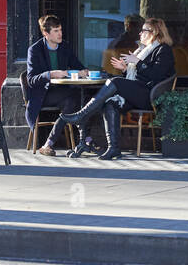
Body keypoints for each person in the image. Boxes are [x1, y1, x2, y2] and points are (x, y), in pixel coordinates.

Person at [49, 17, 176, 160]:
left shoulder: (163, 50)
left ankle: (82, 115)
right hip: (138, 92)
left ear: (154, 32)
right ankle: (113, 148)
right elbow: (137, 76)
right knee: (110, 104)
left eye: (143, 31)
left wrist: (137, 63)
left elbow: (156, 75)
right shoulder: (142, 50)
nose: (140, 34)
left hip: (150, 95)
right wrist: (125, 68)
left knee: (114, 81)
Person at [26, 14, 89, 155]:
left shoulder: (64, 47)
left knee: (76, 99)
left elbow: (78, 66)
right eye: (56, 31)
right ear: (45, 33)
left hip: (62, 92)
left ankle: (49, 143)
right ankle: (86, 140)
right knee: (76, 96)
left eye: (60, 30)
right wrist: (51, 74)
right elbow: (31, 80)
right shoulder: (35, 50)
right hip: (42, 94)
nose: (60, 34)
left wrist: (83, 71)